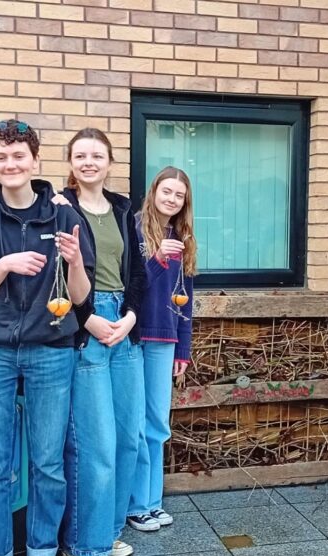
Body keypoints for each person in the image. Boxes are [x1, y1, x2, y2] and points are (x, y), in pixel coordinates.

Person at [0, 120, 94, 556]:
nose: (10, 164)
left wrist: (75, 261)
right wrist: (4, 265)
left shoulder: (64, 214)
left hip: (50, 350)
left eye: (19, 156)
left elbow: (80, 300)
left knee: (47, 463)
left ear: (35, 160)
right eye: (1, 156)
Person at [58, 128, 147, 556]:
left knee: (129, 435)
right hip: (86, 326)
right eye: (80, 155)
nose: (89, 162)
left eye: (97, 155)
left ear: (110, 161)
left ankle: (107, 533)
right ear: (71, 163)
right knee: (96, 442)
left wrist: (130, 316)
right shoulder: (58, 207)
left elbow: (137, 273)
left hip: (125, 328)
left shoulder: (122, 209)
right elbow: (53, 278)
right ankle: (80, 543)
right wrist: (88, 317)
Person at [127, 166, 197, 532]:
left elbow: (186, 300)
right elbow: (131, 286)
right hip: (133, 336)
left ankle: (152, 502)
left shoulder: (181, 237)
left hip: (165, 340)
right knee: (135, 425)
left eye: (179, 195)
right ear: (153, 191)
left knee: (157, 424)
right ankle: (136, 504)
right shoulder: (134, 227)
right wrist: (157, 260)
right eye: (166, 191)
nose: (171, 199)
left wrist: (183, 350)